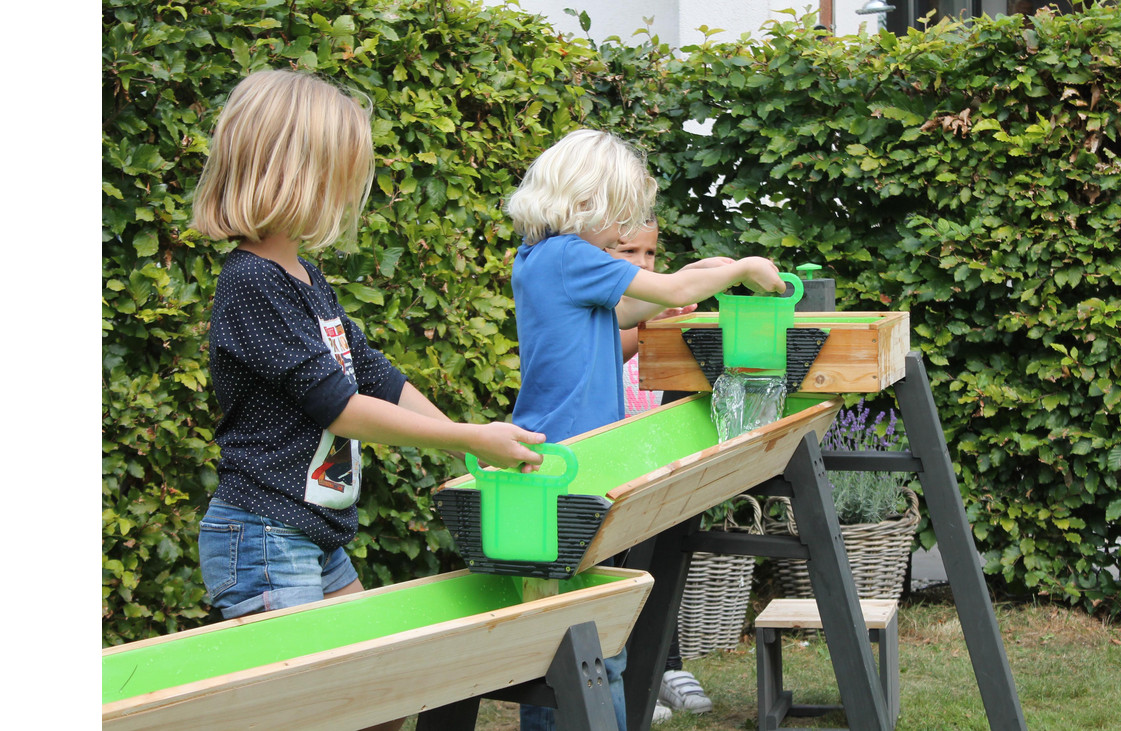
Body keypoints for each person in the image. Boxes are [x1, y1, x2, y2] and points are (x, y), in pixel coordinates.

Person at [191, 69, 544, 731]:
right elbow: (340, 405)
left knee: (379, 699)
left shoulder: (302, 276)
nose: (347, 194)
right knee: (311, 711)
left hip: (312, 536)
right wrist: (468, 438)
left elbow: (372, 374)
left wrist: (471, 447)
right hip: (266, 534)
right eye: (339, 174)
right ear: (293, 173)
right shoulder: (251, 283)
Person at [507, 128, 784, 731]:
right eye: (619, 217)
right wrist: (742, 269)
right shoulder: (571, 254)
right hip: (574, 467)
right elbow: (670, 290)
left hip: (545, 461)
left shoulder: (538, 258)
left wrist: (693, 276)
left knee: (558, 630)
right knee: (589, 640)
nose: (624, 232)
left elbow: (629, 308)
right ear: (589, 203)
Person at [608, 220, 719, 723]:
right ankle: (633, 678)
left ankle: (663, 666)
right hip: (614, 461)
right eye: (628, 250)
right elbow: (614, 345)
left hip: (652, 455)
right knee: (621, 569)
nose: (642, 263)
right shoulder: (600, 305)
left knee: (658, 561)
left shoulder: (646, 302)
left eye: (650, 252)